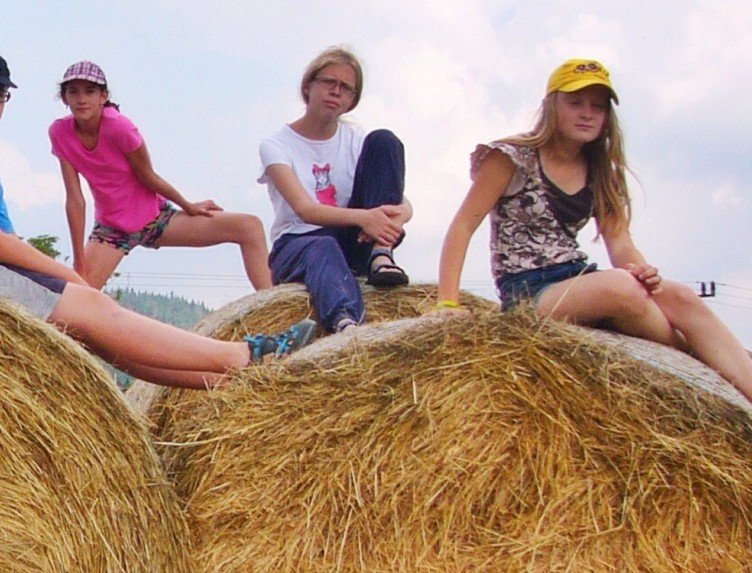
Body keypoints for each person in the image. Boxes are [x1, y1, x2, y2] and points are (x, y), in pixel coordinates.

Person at [0, 46, 317, 390]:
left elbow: (7, 239)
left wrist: (66, 280)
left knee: (95, 328)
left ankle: (222, 381)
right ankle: (244, 355)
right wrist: (70, 276)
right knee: (92, 307)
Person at [436, 59, 752, 400]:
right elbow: (463, 225)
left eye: (597, 106)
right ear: (551, 106)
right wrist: (448, 303)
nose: (587, 113)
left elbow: (619, 243)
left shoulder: (601, 170)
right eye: (575, 103)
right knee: (623, 288)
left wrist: (641, 270)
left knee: (681, 296)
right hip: (528, 291)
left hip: (579, 278)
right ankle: (692, 356)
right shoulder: (511, 157)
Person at [50, 60, 271, 291]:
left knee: (249, 226)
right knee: (77, 294)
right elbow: (75, 199)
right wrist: (79, 259)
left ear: (103, 96)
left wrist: (187, 205)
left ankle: (274, 308)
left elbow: (147, 175)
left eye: (89, 91)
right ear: (64, 98)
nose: (81, 99)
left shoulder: (119, 127)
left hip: (155, 219)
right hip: (111, 229)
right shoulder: (60, 132)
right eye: (73, 92)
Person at [259, 46, 412, 334]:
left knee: (384, 140)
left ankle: (381, 254)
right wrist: (364, 218)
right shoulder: (276, 145)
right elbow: (305, 210)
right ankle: (346, 324)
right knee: (323, 245)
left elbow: (405, 204)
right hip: (298, 243)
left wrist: (390, 221)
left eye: (346, 88)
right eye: (329, 82)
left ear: (352, 99)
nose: (336, 91)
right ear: (308, 86)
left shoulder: (356, 139)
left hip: (353, 238)